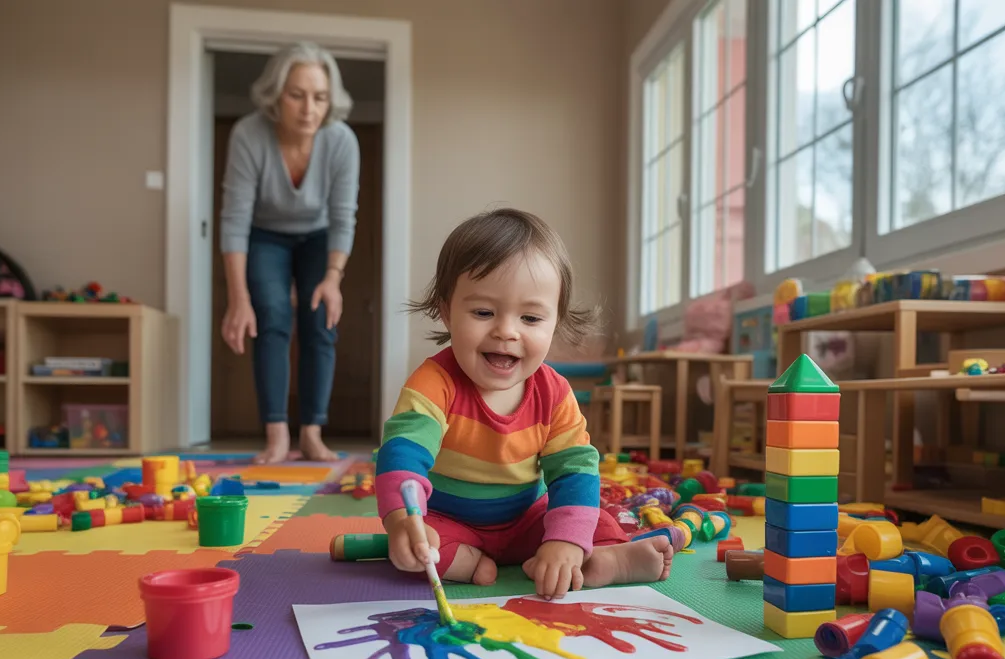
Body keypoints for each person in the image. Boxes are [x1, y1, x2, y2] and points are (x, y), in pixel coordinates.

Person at [374, 208, 674, 600]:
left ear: (555, 322)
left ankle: (604, 560)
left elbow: (574, 470)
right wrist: (403, 520)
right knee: (416, 549)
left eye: (531, 318)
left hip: (528, 522)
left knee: (590, 521)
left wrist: (564, 541)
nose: (506, 331)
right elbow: (404, 453)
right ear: (447, 312)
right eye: (483, 312)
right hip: (451, 522)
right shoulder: (434, 383)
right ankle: (468, 562)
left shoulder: (554, 393)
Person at [218, 42, 360, 463]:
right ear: (276, 94)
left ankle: (312, 432)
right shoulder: (248, 135)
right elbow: (235, 219)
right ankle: (277, 434)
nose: (309, 109)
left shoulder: (342, 141)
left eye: (320, 97)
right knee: (272, 317)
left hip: (319, 236)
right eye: (297, 95)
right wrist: (238, 299)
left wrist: (333, 278)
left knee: (321, 322)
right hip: (265, 235)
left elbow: (343, 216)